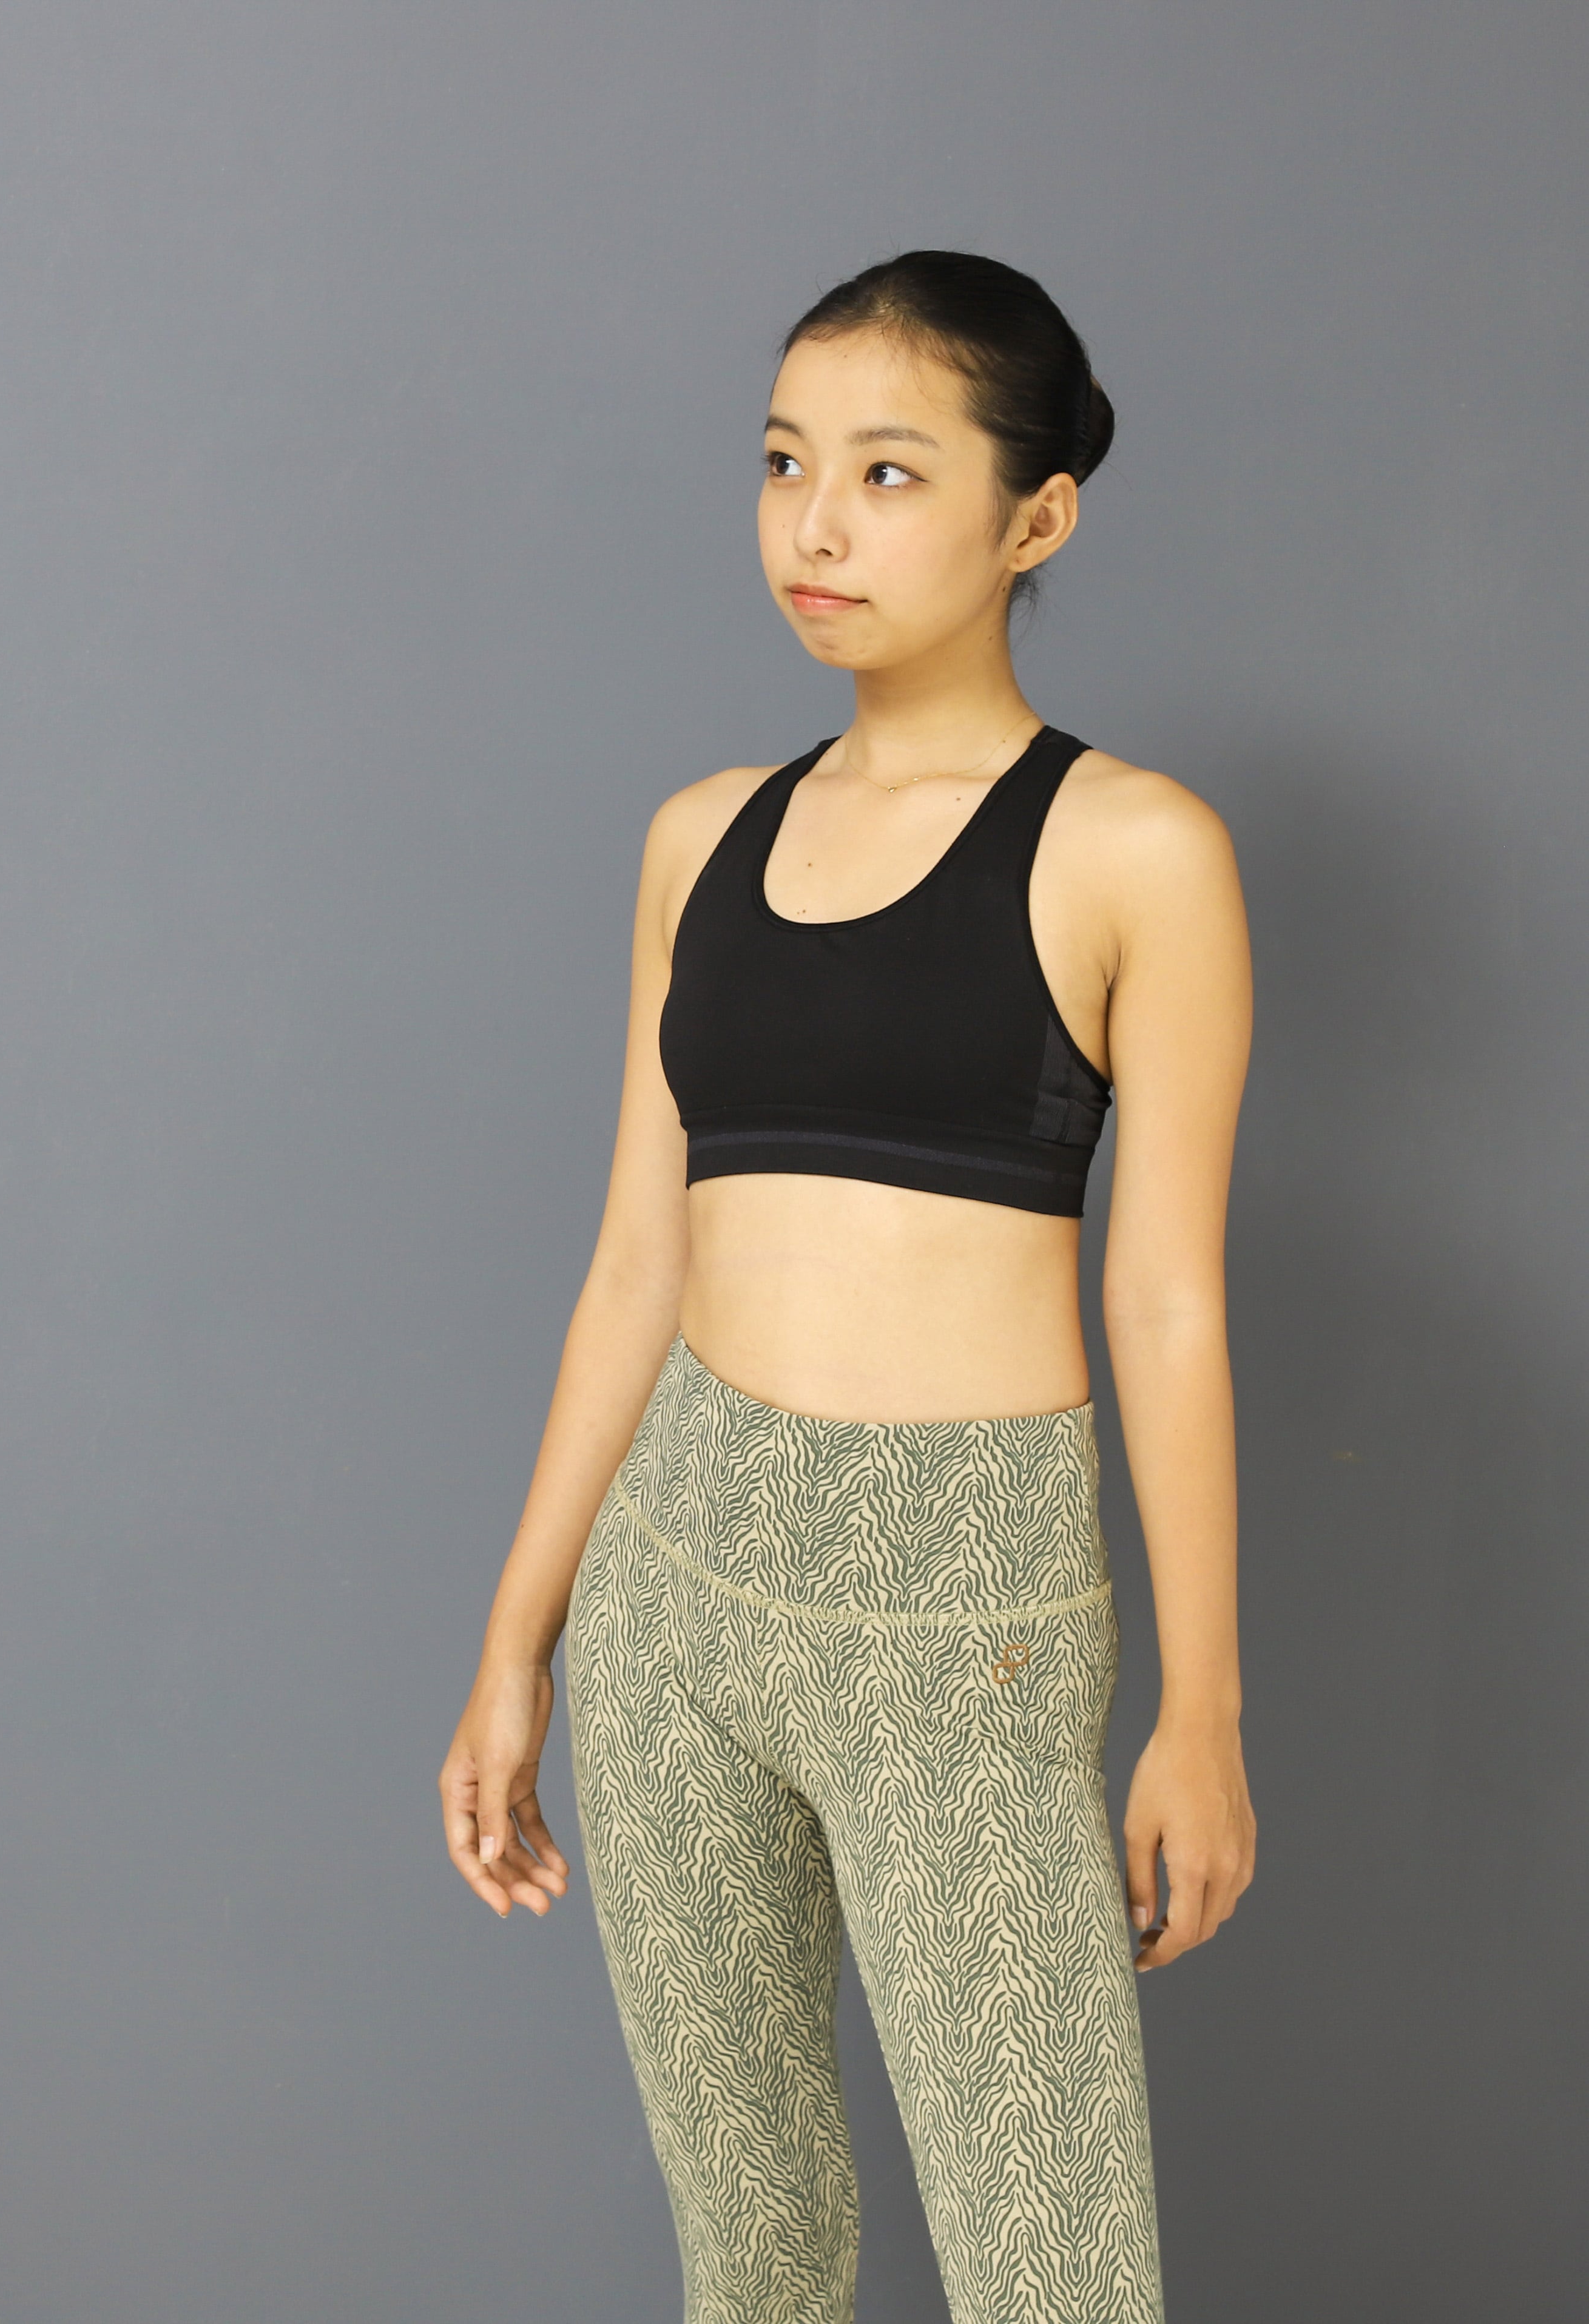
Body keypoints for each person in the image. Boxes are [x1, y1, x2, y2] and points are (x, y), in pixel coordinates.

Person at [436, 250, 1256, 2324]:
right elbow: (635, 1264)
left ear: (1035, 517)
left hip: (963, 1616)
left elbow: (1166, 1305)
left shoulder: (1133, 849)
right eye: (786, 462)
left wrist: (1204, 1710)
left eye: (889, 473)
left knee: (1056, 2282)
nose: (817, 524)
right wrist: (520, 1638)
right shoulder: (700, 838)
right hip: (675, 1593)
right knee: (759, 2256)